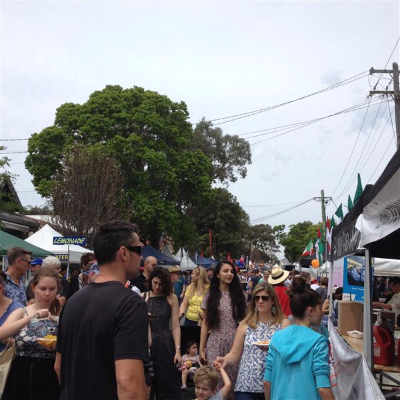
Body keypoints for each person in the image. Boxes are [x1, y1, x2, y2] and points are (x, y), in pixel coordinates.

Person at [55, 220, 148, 400]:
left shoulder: (73, 302)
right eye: (139, 250)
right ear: (124, 253)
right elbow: (128, 384)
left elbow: (59, 366)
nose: (141, 258)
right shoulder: (130, 304)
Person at [214, 282, 289, 400]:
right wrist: (225, 360)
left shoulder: (283, 324)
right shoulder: (245, 325)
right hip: (247, 384)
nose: (260, 301)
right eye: (256, 298)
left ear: (273, 300)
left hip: (275, 383)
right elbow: (235, 353)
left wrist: (275, 348)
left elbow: (289, 352)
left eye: (264, 298)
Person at [263, 277, 333, 400]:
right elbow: (323, 388)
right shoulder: (318, 342)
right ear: (310, 310)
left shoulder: (277, 338)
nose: (322, 312)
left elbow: (267, 382)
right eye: (320, 308)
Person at [2, 266, 61, 400]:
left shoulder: (61, 314)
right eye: (43, 288)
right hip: (21, 374)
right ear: (34, 288)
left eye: (52, 289)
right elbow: (2, 333)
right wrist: (31, 317)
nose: (47, 293)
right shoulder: (23, 311)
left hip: (50, 374)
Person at [200, 261, 247, 400]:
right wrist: (201, 348)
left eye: (232, 271)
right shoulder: (210, 295)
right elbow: (205, 323)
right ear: (218, 274)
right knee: (215, 379)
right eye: (225, 271)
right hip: (215, 341)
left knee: (233, 380)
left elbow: (245, 321)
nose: (230, 274)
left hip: (235, 343)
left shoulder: (241, 295)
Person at [144, 266, 181, 400]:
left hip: (165, 345)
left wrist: (177, 350)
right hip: (147, 345)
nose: (157, 287)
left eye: (160, 284)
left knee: (167, 384)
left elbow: (175, 326)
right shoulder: (144, 296)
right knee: (148, 385)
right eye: (155, 283)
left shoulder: (172, 298)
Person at [0, 271, 23, 351]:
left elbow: (22, 344)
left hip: (6, 361)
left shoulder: (17, 309)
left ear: (1, 288)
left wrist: (4, 337)